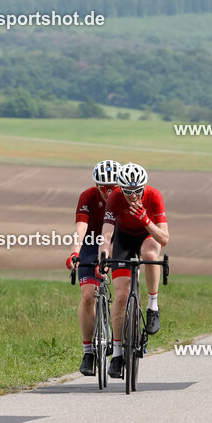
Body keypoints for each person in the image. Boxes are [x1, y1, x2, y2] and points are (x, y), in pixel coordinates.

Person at [97, 162, 168, 379]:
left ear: (144, 188)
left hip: (148, 234)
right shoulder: (115, 198)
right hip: (123, 239)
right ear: (121, 189)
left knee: (150, 256)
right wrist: (103, 256)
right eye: (128, 192)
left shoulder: (154, 196)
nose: (134, 196)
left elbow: (164, 238)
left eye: (138, 191)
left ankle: (153, 306)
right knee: (120, 296)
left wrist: (145, 219)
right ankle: (117, 353)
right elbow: (107, 234)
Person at [67, 160, 121, 377]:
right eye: (103, 187)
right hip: (91, 241)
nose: (109, 192)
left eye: (113, 187)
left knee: (124, 292)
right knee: (88, 294)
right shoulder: (88, 196)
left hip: (117, 241)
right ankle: (88, 352)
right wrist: (75, 253)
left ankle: (124, 339)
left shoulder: (123, 196)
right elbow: (80, 228)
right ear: (97, 186)